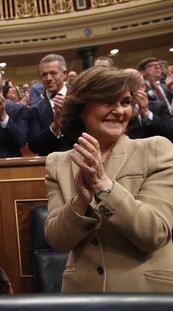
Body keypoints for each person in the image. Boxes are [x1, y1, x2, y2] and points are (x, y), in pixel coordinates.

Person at [45, 66, 173, 293]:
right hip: (83, 295)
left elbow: (155, 233)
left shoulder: (156, 149)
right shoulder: (58, 162)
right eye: (107, 102)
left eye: (125, 102)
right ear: (81, 109)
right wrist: (79, 202)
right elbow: (58, 240)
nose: (119, 111)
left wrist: (103, 185)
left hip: (147, 294)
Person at [28, 54, 73, 156]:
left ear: (65, 74)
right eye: (44, 74)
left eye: (53, 73)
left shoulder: (79, 99)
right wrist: (54, 127)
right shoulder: (35, 109)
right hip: (48, 164)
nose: (48, 78)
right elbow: (34, 146)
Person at [126, 69, 173, 142]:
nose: (131, 91)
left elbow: (170, 134)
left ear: (143, 87)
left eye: (134, 86)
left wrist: (147, 114)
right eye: (127, 86)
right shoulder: (118, 110)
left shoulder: (159, 107)